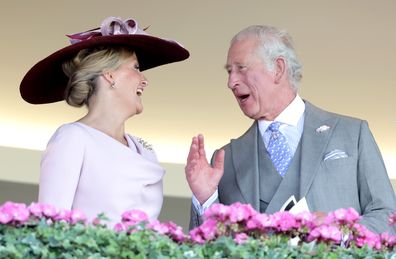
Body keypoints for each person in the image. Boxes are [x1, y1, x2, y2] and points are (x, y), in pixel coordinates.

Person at [186, 25, 396, 234]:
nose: (231, 82)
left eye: (241, 68)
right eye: (229, 71)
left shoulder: (352, 134)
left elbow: (387, 217)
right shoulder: (225, 161)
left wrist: (340, 232)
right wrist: (205, 199)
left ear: (278, 68)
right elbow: (208, 249)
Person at [20, 17, 189, 225]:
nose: (144, 80)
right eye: (136, 67)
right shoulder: (73, 138)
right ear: (109, 75)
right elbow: (52, 226)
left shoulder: (146, 151)